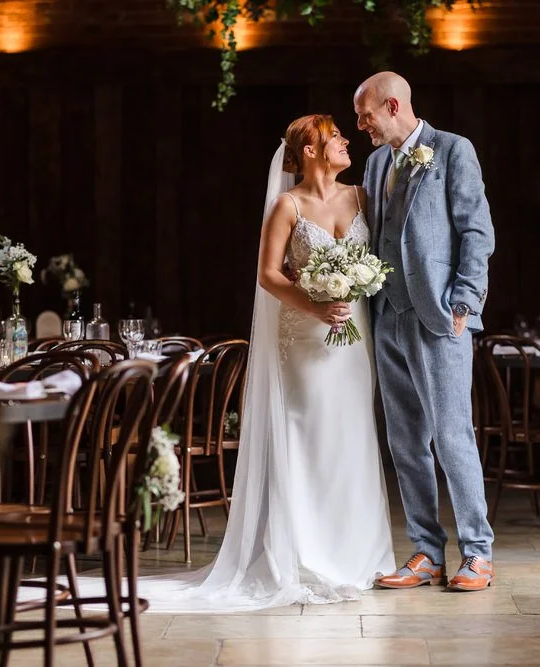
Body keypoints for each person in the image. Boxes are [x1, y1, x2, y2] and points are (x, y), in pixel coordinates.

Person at [137, 114, 395, 612]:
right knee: (307, 438)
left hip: (352, 342)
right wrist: (315, 304)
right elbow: (269, 276)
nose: (346, 141)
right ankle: (305, 554)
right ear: (312, 149)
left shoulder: (363, 196)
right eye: (336, 136)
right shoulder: (287, 205)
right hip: (303, 340)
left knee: (353, 437)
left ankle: (358, 554)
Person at [354, 71, 496, 592]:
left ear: (392, 106)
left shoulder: (454, 150)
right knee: (405, 440)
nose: (361, 125)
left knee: (451, 435)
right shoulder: (373, 164)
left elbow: (477, 230)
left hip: (440, 316)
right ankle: (426, 552)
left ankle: (478, 554)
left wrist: (464, 298)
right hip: (386, 316)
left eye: (365, 114)